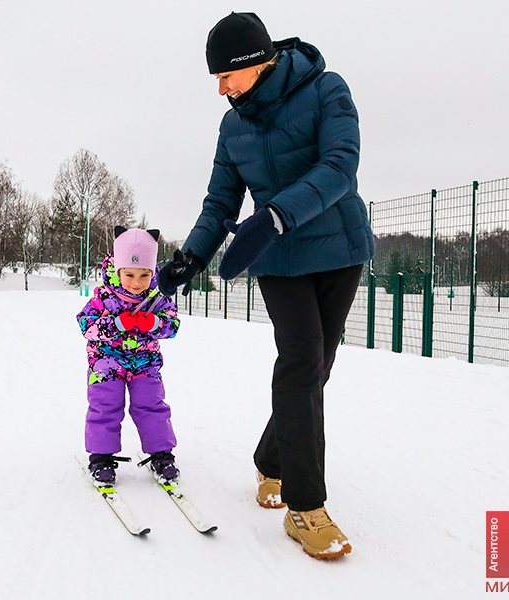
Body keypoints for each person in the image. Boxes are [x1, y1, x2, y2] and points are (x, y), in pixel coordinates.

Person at [158, 12, 374, 559]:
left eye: (225, 77)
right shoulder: (234, 127)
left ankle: (272, 460)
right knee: (301, 360)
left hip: (337, 248)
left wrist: (277, 214)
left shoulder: (326, 89)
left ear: (256, 63)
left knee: (317, 367)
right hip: (277, 259)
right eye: (216, 82)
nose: (222, 89)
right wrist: (192, 257)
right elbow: (220, 202)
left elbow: (340, 165)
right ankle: (307, 508)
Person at [77, 227, 181, 485]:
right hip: (106, 364)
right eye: (130, 274)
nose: (137, 283)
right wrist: (116, 324)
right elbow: (85, 325)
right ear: (118, 269)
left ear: (152, 270)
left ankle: (162, 454)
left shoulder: (159, 297)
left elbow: (173, 325)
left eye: (144, 275)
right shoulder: (104, 296)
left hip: (145, 364)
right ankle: (101, 458)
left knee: (152, 406)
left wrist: (154, 323)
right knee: (105, 408)